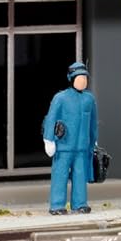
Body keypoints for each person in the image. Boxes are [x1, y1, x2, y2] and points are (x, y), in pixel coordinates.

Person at [42, 61, 98, 215]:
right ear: (71, 78)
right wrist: (49, 140)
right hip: (64, 147)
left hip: (82, 147)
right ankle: (57, 205)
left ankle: (80, 204)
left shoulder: (89, 99)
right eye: (79, 77)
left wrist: (93, 141)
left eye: (85, 78)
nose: (83, 81)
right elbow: (51, 119)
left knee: (80, 175)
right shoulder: (60, 98)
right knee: (60, 175)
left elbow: (93, 123)